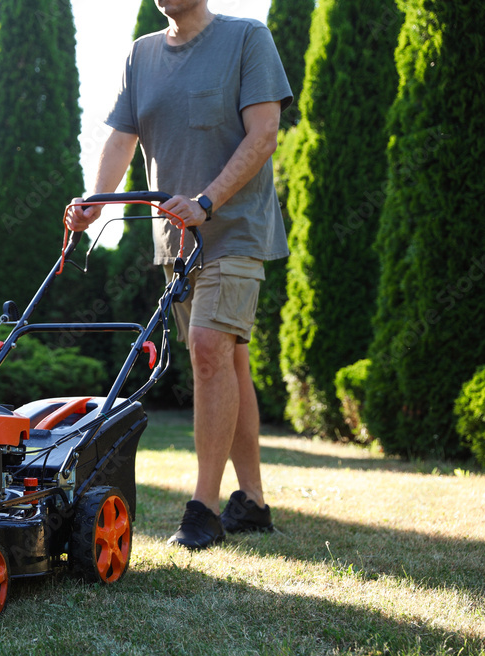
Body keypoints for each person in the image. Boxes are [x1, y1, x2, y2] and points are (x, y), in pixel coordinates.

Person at [66, 0, 292, 550]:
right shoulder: (140, 55)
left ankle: (203, 509)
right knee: (227, 358)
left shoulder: (246, 39)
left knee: (209, 347)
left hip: (235, 227)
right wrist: (94, 202)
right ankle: (254, 502)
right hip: (177, 239)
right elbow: (122, 138)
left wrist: (209, 201)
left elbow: (263, 135)